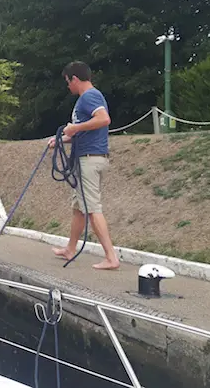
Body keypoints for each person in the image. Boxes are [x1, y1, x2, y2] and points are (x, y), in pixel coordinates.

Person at [48, 61, 120, 270]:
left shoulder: (89, 96)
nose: (67, 86)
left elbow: (104, 119)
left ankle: (111, 257)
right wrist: (62, 139)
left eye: (67, 82)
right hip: (87, 156)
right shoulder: (87, 98)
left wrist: (74, 128)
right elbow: (86, 131)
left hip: (90, 159)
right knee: (79, 207)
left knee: (91, 208)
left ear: (75, 79)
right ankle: (71, 248)